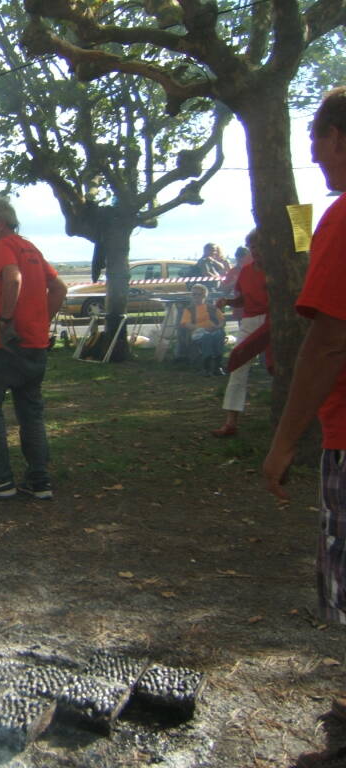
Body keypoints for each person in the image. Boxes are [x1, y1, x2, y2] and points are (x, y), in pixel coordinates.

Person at [264, 87, 346, 640]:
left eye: (315, 140)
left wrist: (285, 440)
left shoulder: (341, 218)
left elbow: (330, 342)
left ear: (335, 137)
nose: (313, 155)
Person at [0, 197, 67, 501]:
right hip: (34, 344)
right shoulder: (30, 247)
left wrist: (6, 319)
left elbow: (13, 278)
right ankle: (39, 480)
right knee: (30, 412)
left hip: (5, 344)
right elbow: (59, 288)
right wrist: (39, 320)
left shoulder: (3, 246)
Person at [212, 230, 268, 437]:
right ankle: (231, 421)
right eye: (252, 246)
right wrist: (227, 302)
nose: (255, 250)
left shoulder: (279, 269)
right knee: (238, 366)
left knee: (280, 367)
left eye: (259, 246)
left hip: (274, 321)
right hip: (250, 322)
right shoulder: (245, 272)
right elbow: (242, 300)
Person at [180, 284, 226, 375]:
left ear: (205, 295)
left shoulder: (213, 307)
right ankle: (207, 368)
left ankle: (217, 367)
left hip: (214, 330)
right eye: (194, 294)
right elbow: (186, 324)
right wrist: (202, 328)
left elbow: (222, 321)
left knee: (219, 335)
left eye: (199, 294)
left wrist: (217, 327)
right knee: (206, 337)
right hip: (198, 332)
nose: (196, 296)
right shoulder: (189, 309)